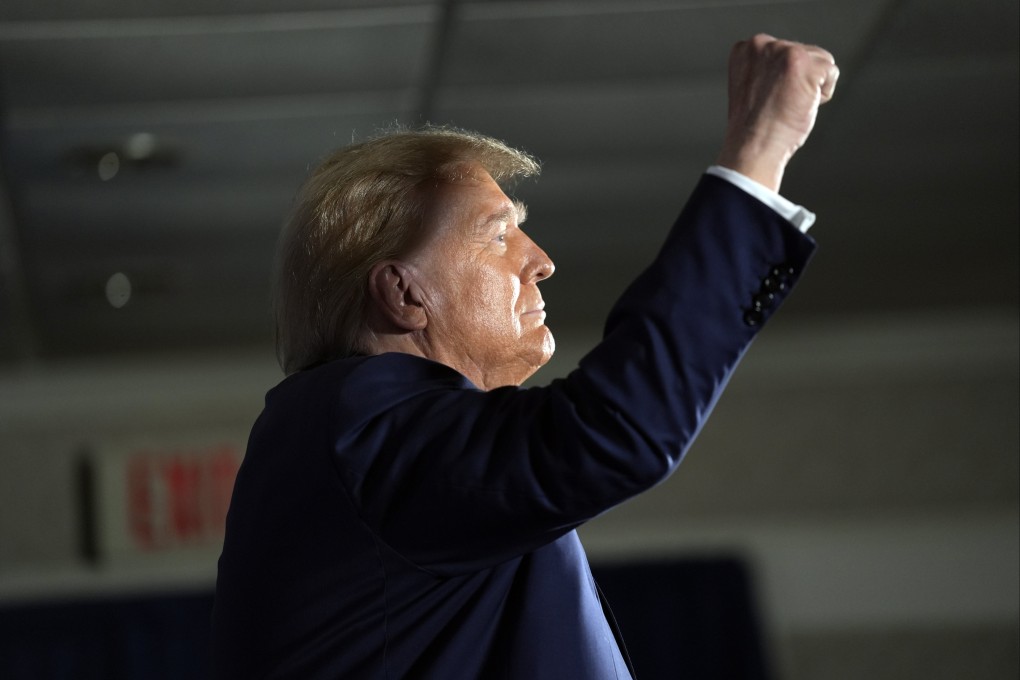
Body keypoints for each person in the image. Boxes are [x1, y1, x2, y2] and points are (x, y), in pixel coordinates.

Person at [212, 34, 839, 679]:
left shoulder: (366, 438)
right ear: (402, 293)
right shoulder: (356, 422)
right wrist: (758, 151)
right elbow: (613, 431)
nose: (541, 261)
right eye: (499, 233)